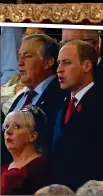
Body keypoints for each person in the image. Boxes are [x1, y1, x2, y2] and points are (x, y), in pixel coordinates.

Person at [52, 40, 103, 191]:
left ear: (86, 66)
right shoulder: (62, 104)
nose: (59, 69)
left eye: (66, 63)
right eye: (59, 63)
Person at [2, 33, 65, 165]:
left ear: (48, 62)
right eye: (19, 57)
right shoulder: (20, 98)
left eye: (27, 56)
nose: (20, 62)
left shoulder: (62, 95)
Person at [1, 105, 51, 195]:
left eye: (17, 126)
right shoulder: (3, 169)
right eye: (6, 126)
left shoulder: (40, 168)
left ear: (32, 136)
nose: (8, 131)